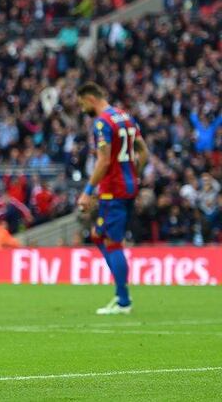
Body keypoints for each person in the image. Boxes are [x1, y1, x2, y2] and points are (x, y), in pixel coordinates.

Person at [76, 82, 148, 315]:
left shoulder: (102, 122)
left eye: (81, 104)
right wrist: (134, 175)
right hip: (127, 187)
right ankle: (121, 293)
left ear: (90, 98)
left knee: (112, 242)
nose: (82, 109)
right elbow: (143, 152)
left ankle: (123, 301)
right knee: (99, 235)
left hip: (113, 190)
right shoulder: (125, 117)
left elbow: (104, 161)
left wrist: (88, 191)